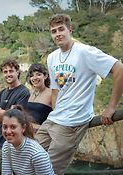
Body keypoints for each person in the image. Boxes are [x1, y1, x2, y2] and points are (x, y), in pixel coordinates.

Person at [35, 14, 123, 175]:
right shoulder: (52, 57)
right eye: (53, 31)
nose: (58, 34)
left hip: (72, 123)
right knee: (28, 157)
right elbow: (55, 90)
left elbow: (119, 69)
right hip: (53, 120)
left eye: (61, 29)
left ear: (70, 29)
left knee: (47, 171)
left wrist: (111, 107)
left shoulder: (85, 52)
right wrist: (55, 111)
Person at [0, 58, 30, 175]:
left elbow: (15, 118)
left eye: (11, 71)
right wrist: (7, 112)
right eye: (5, 72)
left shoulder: (24, 92)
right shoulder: (2, 93)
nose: (8, 74)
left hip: (7, 144)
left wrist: (0, 111)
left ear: (17, 72)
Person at [1, 106, 54, 175]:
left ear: (23, 128)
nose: (8, 131)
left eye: (13, 127)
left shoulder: (37, 155)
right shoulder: (6, 146)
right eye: (5, 127)